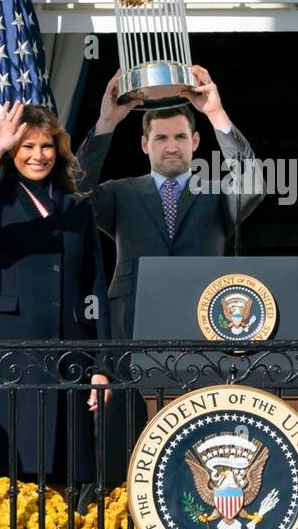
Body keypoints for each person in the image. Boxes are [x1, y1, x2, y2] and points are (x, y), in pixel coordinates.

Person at [74, 66, 264, 488]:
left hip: (201, 333)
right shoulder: (121, 192)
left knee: (196, 438)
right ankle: (118, 524)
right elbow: (72, 192)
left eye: (180, 136)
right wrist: (107, 122)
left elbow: (253, 184)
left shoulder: (216, 194)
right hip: (130, 329)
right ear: (144, 144)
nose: (171, 146)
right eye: (161, 137)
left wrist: (217, 115)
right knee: (126, 438)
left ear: (196, 143)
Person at [0, 101, 111, 490]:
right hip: (11, 348)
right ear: (13, 152)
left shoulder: (76, 205)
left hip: (68, 353)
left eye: (46, 146)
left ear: (57, 150)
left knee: (64, 468)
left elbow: (95, 286)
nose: (37, 156)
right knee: (8, 468)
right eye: (27, 147)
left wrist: (102, 363)